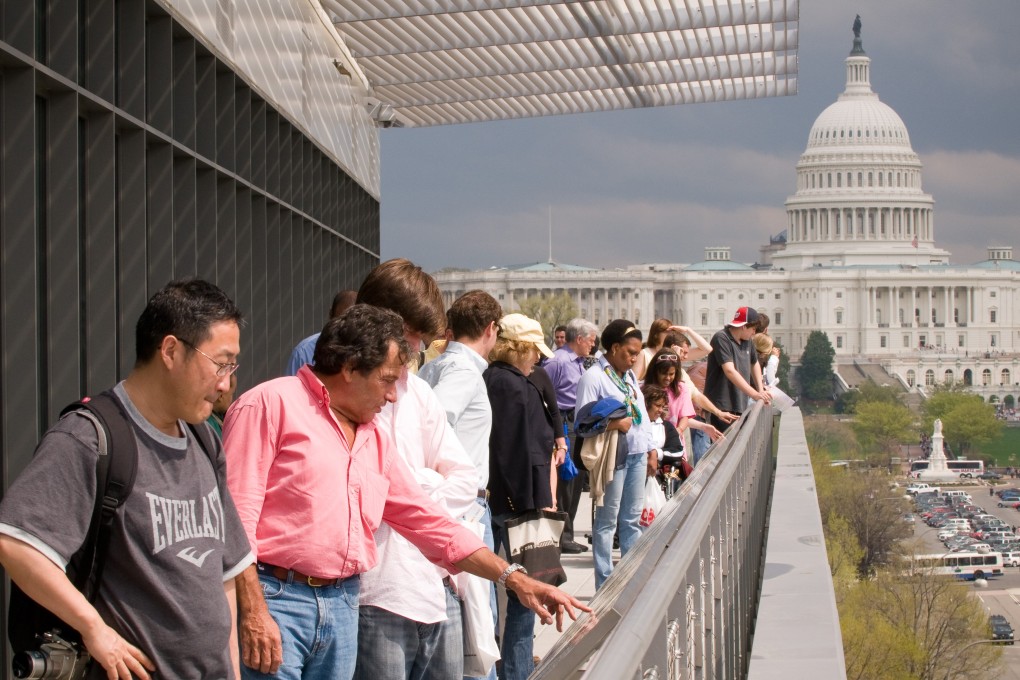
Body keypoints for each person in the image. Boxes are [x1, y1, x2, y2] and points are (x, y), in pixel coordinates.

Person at [225, 304, 589, 680]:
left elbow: (427, 522)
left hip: (343, 604)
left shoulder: (371, 436)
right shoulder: (269, 405)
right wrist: (253, 610)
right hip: (278, 601)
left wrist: (513, 576)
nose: (393, 397)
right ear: (349, 369)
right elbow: (236, 520)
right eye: (386, 381)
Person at [0, 279, 254, 680]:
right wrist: (94, 628)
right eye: (221, 363)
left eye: (232, 366)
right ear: (170, 351)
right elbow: (15, 542)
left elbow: (223, 571)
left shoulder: (205, 438)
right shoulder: (89, 438)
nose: (226, 383)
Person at [353, 262, 478, 680]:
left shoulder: (418, 390)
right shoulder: (349, 388)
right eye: (411, 336)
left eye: (420, 341)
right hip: (378, 591)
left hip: (435, 583)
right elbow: (370, 490)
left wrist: (413, 492)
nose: (414, 349)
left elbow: (466, 479)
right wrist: (422, 486)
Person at [418, 290, 503, 680]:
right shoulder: (464, 372)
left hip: (455, 503)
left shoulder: (438, 366)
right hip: (464, 507)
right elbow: (432, 426)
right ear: (490, 329)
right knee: (477, 628)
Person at [483, 313, 557, 680]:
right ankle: (516, 670)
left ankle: (509, 666)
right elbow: (514, 450)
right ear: (519, 348)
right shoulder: (511, 384)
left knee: (499, 596)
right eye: (534, 351)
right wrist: (529, 501)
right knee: (524, 596)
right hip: (515, 501)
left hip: (503, 496)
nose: (539, 359)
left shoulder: (497, 378)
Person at [576, 319, 657, 589]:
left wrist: (650, 449)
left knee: (631, 519)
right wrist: (613, 424)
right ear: (613, 348)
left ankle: (631, 580)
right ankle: (605, 582)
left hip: (636, 454)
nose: (635, 359)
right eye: (630, 352)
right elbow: (581, 422)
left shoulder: (628, 377)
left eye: (637, 353)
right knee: (607, 521)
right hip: (613, 458)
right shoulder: (595, 376)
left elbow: (641, 415)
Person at [544, 318, 599, 554]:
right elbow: (543, 391)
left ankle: (568, 532)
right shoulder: (558, 361)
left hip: (577, 423)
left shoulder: (580, 362)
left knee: (575, 483)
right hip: (564, 424)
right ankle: (561, 536)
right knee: (566, 482)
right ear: (579, 339)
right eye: (591, 340)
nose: (593, 344)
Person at [703, 307, 772, 433]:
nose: (754, 333)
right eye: (753, 329)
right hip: (722, 405)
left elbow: (754, 363)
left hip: (739, 403)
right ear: (744, 326)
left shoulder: (748, 341)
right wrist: (754, 394)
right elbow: (729, 370)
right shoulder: (721, 338)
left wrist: (761, 390)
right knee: (725, 447)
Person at [284, 289, 357, 376]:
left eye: (351, 323)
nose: (345, 329)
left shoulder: (369, 352)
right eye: (340, 321)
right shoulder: (303, 353)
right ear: (331, 315)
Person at [207, 371, 239, 438]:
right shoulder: (210, 424)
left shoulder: (218, 417)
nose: (231, 399)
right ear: (221, 396)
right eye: (231, 394)